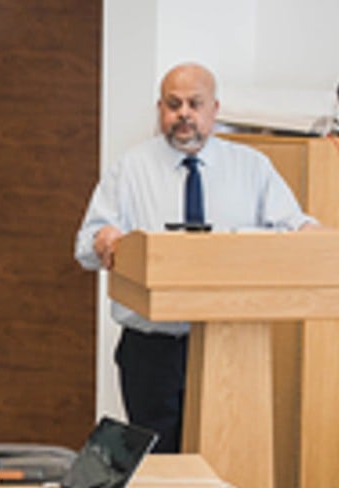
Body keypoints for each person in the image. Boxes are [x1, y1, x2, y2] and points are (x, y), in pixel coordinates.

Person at [74, 62, 319, 453]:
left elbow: (295, 227)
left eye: (194, 103)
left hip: (231, 344)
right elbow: (85, 245)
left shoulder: (252, 168)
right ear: (160, 110)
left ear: (214, 109)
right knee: (160, 462)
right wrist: (102, 238)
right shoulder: (131, 168)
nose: (184, 114)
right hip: (152, 349)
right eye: (174, 104)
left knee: (226, 456)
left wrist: (313, 237)